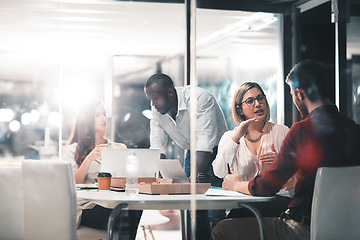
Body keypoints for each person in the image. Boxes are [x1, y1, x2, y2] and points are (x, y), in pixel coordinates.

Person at [212, 59, 360, 240]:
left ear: (299, 94)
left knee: (221, 229)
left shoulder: (301, 131)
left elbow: (267, 186)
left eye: (291, 94)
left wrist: (235, 185)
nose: (257, 104)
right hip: (348, 226)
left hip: (301, 227)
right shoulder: (354, 129)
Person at [144, 73, 228, 240]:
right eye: (150, 99)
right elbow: (157, 145)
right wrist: (158, 178)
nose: (153, 104)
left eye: (155, 98)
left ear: (169, 92)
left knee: (215, 210)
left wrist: (191, 180)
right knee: (194, 212)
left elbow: (205, 143)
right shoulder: (157, 110)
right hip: (193, 151)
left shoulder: (200, 99)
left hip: (217, 152)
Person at [212, 82, 294, 219]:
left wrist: (281, 162)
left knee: (228, 226)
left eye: (260, 98)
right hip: (244, 204)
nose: (257, 104)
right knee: (224, 227)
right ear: (239, 109)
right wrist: (236, 139)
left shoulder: (282, 131)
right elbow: (219, 172)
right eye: (250, 101)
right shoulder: (229, 137)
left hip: (278, 202)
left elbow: (297, 174)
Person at [63, 99, 142, 239]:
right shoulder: (73, 150)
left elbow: (127, 180)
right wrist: (88, 159)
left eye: (104, 114)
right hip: (89, 207)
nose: (103, 118)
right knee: (123, 212)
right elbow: (71, 183)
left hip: (114, 203)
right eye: (97, 115)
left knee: (134, 208)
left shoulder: (118, 148)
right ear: (87, 119)